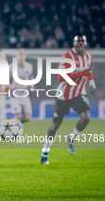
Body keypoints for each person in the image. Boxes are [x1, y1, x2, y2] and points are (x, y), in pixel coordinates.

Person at [41, 34, 96, 164]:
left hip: (79, 94)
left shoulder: (89, 56)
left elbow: (89, 72)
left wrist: (92, 84)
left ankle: (71, 137)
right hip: (63, 95)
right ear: (74, 43)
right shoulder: (67, 57)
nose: (80, 43)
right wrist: (84, 73)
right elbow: (61, 78)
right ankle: (45, 152)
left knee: (86, 117)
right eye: (78, 41)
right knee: (55, 125)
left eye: (83, 41)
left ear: (86, 43)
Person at [9, 49, 34, 123]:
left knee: (28, 118)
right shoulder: (11, 67)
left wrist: (32, 85)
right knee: (17, 116)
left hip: (25, 94)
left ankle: (14, 125)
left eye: (22, 55)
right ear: (16, 57)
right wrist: (11, 86)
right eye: (19, 55)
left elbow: (30, 76)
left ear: (25, 57)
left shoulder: (29, 66)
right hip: (15, 95)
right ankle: (12, 128)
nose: (21, 57)